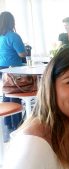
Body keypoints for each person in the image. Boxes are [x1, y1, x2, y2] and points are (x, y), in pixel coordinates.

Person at [0, 11, 27, 142]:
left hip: (2, 69)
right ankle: (17, 126)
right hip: (14, 69)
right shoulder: (13, 36)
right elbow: (22, 54)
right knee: (15, 95)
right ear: (12, 22)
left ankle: (7, 124)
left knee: (7, 94)